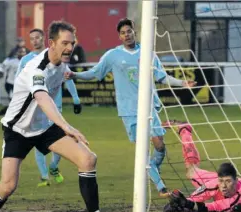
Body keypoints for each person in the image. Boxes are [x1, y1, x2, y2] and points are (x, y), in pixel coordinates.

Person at [0, 21, 127, 212]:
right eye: (65, 43)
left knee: (88, 159)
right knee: (8, 185)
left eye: (72, 43)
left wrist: (69, 109)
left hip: (45, 128)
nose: (69, 47)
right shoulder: (36, 68)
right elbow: (42, 98)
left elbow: (56, 92)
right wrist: (66, 126)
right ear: (52, 43)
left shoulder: (62, 65)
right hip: (17, 130)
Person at [66, 18, 196, 199]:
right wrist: (74, 74)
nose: (127, 35)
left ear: (134, 32)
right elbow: (95, 73)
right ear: (119, 36)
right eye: (123, 33)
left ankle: (152, 169)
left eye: (129, 31)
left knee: (160, 146)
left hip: (149, 107)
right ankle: (161, 187)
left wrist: (182, 83)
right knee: (142, 150)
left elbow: (162, 77)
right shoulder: (113, 55)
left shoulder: (148, 54)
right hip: (129, 111)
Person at [17, 28, 82, 187]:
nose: (34, 41)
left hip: (54, 107)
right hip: (35, 109)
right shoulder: (25, 60)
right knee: (38, 142)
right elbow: (18, 82)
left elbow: (68, 77)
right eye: (32, 38)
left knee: (61, 139)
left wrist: (76, 99)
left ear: (44, 39)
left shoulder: (54, 56)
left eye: (37, 37)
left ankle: (53, 166)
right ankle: (45, 176)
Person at [162, 120, 241, 212]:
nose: (223, 186)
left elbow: (212, 207)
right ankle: (184, 130)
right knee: (191, 170)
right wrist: (181, 201)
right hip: (213, 180)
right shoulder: (215, 184)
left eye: (228, 181)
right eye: (221, 181)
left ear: (236, 181)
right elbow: (194, 199)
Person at [0, 46, 27, 126]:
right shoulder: (11, 61)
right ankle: (10, 123)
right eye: (20, 52)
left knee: (15, 106)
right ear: (17, 53)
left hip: (20, 86)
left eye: (23, 52)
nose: (22, 53)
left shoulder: (27, 62)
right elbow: (1, 71)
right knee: (16, 105)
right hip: (10, 85)